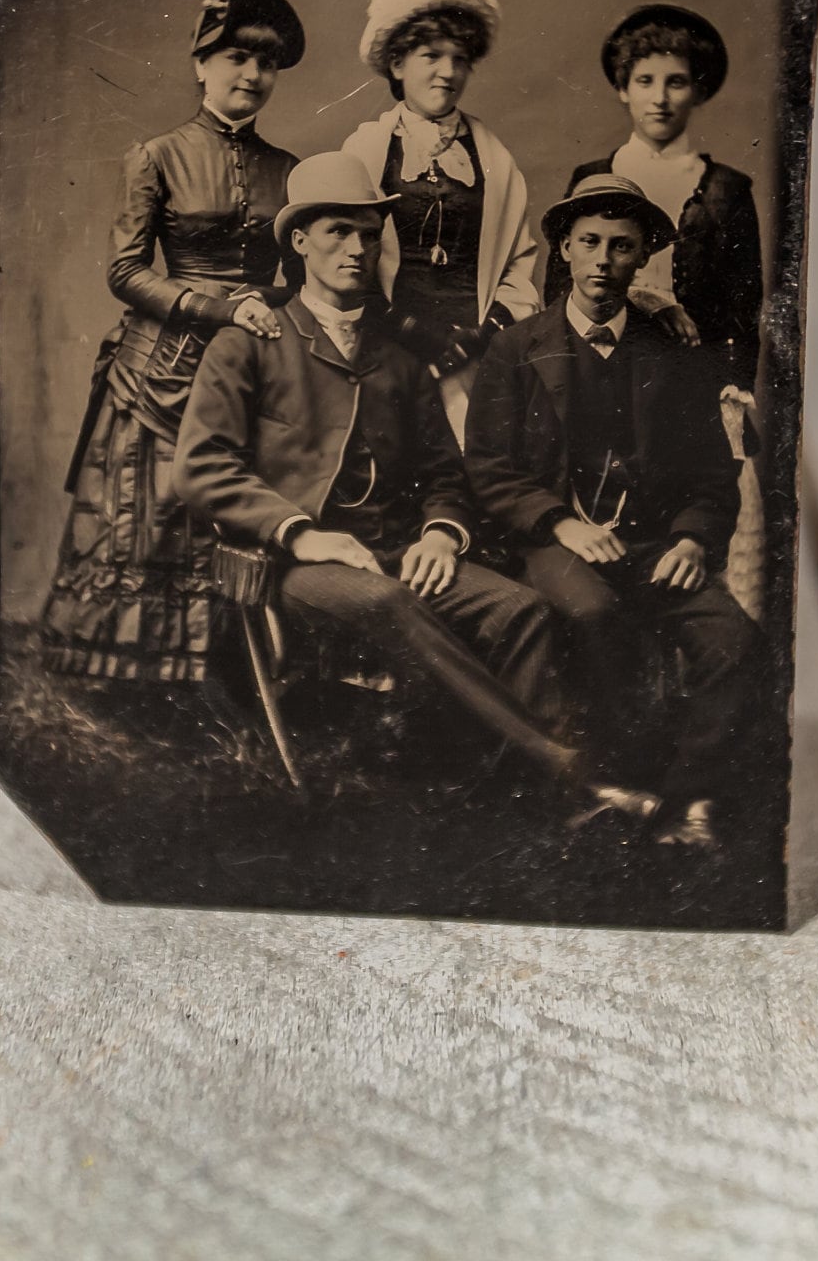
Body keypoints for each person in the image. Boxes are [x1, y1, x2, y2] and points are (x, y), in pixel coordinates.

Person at [178, 154, 662, 824]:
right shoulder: (249, 345)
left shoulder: (399, 360)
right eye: (336, 233)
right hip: (285, 566)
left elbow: (444, 475)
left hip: (390, 551)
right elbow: (202, 466)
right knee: (385, 599)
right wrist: (304, 533)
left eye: (368, 235)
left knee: (517, 607)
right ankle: (568, 773)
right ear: (298, 242)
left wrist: (440, 531)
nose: (356, 249)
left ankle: (526, 795)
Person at [464, 174, 759, 847]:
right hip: (555, 542)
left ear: (642, 258)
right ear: (563, 250)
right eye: (589, 243)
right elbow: (489, 468)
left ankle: (688, 803)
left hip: (654, 543)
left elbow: (714, 475)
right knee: (594, 615)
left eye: (622, 247)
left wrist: (690, 540)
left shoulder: (672, 358)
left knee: (735, 642)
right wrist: (558, 522)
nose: (603, 261)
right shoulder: (515, 350)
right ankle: (613, 785)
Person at [36, 0, 304, 685]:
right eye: (236, 57)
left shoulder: (290, 170)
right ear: (201, 62)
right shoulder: (155, 156)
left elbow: (301, 282)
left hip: (249, 368)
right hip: (157, 373)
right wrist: (220, 309)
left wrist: (268, 313)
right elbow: (125, 272)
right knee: (146, 519)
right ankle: (129, 682)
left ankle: (218, 681)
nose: (250, 75)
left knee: (225, 517)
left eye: (265, 63)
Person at [338, 0, 542, 442]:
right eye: (431, 55)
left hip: (475, 352)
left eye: (460, 58)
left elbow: (518, 265)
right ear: (397, 63)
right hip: (388, 345)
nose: (448, 72)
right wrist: (412, 334)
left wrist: (481, 336)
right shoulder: (364, 151)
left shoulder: (494, 158)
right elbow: (342, 260)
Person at [551, 4, 766, 397]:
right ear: (623, 88)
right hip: (599, 365)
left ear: (698, 91)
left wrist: (734, 388)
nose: (660, 98)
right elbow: (560, 287)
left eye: (677, 82)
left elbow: (743, 309)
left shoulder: (726, 189)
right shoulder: (591, 177)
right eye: (645, 81)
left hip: (691, 376)